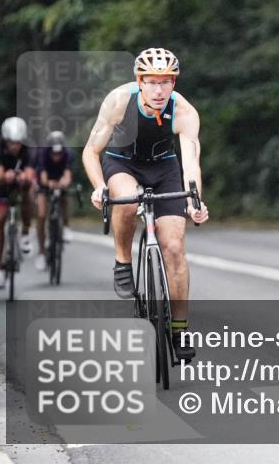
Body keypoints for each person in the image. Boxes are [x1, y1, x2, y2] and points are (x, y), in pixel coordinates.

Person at [81, 48, 209, 359]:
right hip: (122, 162)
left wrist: (195, 200)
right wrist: (99, 188)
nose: (159, 90)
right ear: (139, 81)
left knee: (175, 247)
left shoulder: (185, 113)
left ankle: (179, 330)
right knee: (126, 199)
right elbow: (90, 151)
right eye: (152, 82)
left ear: (174, 83)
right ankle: (123, 260)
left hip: (164, 168)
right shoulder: (118, 101)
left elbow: (191, 164)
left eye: (166, 82)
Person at [0, 117, 36, 289]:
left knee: (29, 192)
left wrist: (23, 177)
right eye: (11, 143)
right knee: (0, 218)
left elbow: (30, 174)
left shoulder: (30, 148)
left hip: (21, 183)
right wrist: (5, 176)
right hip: (1, 185)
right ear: (5, 140)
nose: (14, 146)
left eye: (18, 143)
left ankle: (24, 233)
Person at [34, 130, 76, 271]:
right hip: (45, 184)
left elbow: (68, 174)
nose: (56, 156)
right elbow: (43, 177)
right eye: (54, 153)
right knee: (41, 214)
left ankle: (65, 225)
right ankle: (41, 252)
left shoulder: (68, 154)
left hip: (59, 181)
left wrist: (65, 181)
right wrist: (49, 183)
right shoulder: (43, 154)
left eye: (59, 153)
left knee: (64, 197)